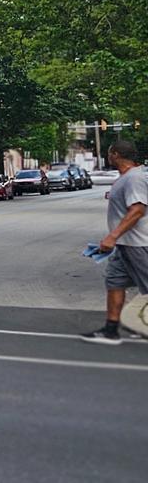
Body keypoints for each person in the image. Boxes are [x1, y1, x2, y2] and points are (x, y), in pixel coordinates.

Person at [82, 139, 148, 344]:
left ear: (116, 155)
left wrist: (112, 236)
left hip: (138, 244)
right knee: (114, 282)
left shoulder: (134, 179)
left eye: (110, 154)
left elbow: (137, 210)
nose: (109, 157)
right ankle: (111, 330)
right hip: (125, 246)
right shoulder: (126, 177)